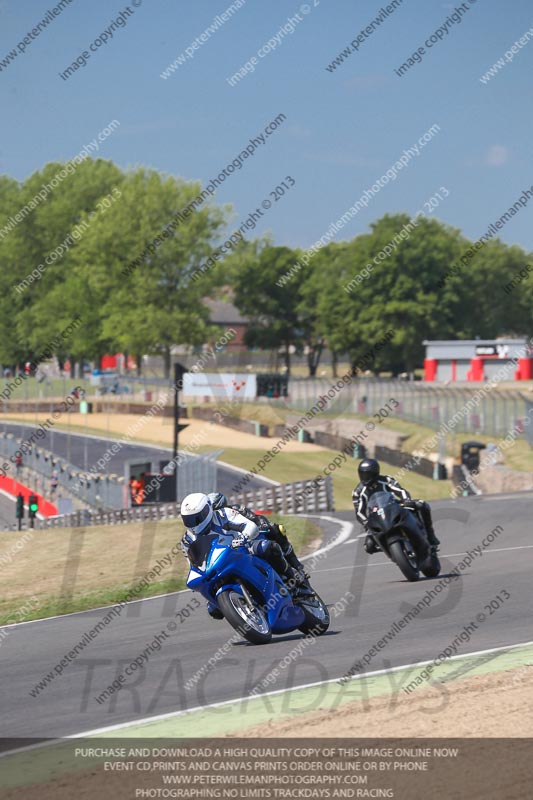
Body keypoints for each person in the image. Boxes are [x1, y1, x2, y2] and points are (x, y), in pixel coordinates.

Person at [180, 492, 310, 620]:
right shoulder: (187, 540)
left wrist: (244, 537)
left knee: (269, 548)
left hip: (244, 549)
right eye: (188, 520)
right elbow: (193, 564)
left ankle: (292, 578)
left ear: (207, 511)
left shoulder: (223, 514)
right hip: (217, 565)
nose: (193, 523)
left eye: (196, 518)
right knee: (214, 610)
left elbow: (250, 526)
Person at [352, 458, 440, 555]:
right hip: (375, 519)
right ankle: (392, 551)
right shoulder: (358, 492)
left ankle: (430, 536)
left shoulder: (386, 480)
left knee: (422, 504)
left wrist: (406, 500)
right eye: (362, 474)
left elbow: (400, 491)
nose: (365, 477)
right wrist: (366, 523)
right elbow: (359, 512)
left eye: (368, 474)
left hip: (392, 507)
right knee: (369, 546)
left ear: (375, 473)